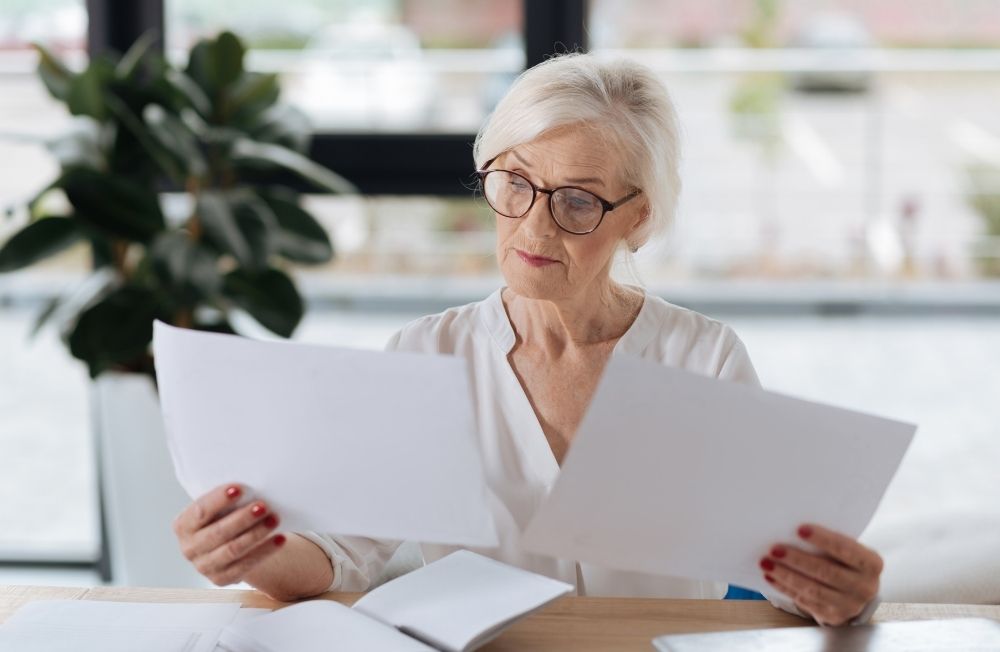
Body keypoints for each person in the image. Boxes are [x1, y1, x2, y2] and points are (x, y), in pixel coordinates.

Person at [171, 53, 882, 626]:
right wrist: (246, 553)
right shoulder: (427, 356)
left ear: (637, 217)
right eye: (514, 183)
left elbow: (777, 569)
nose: (534, 229)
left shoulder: (703, 358)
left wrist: (843, 593)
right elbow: (342, 555)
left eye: (578, 201)